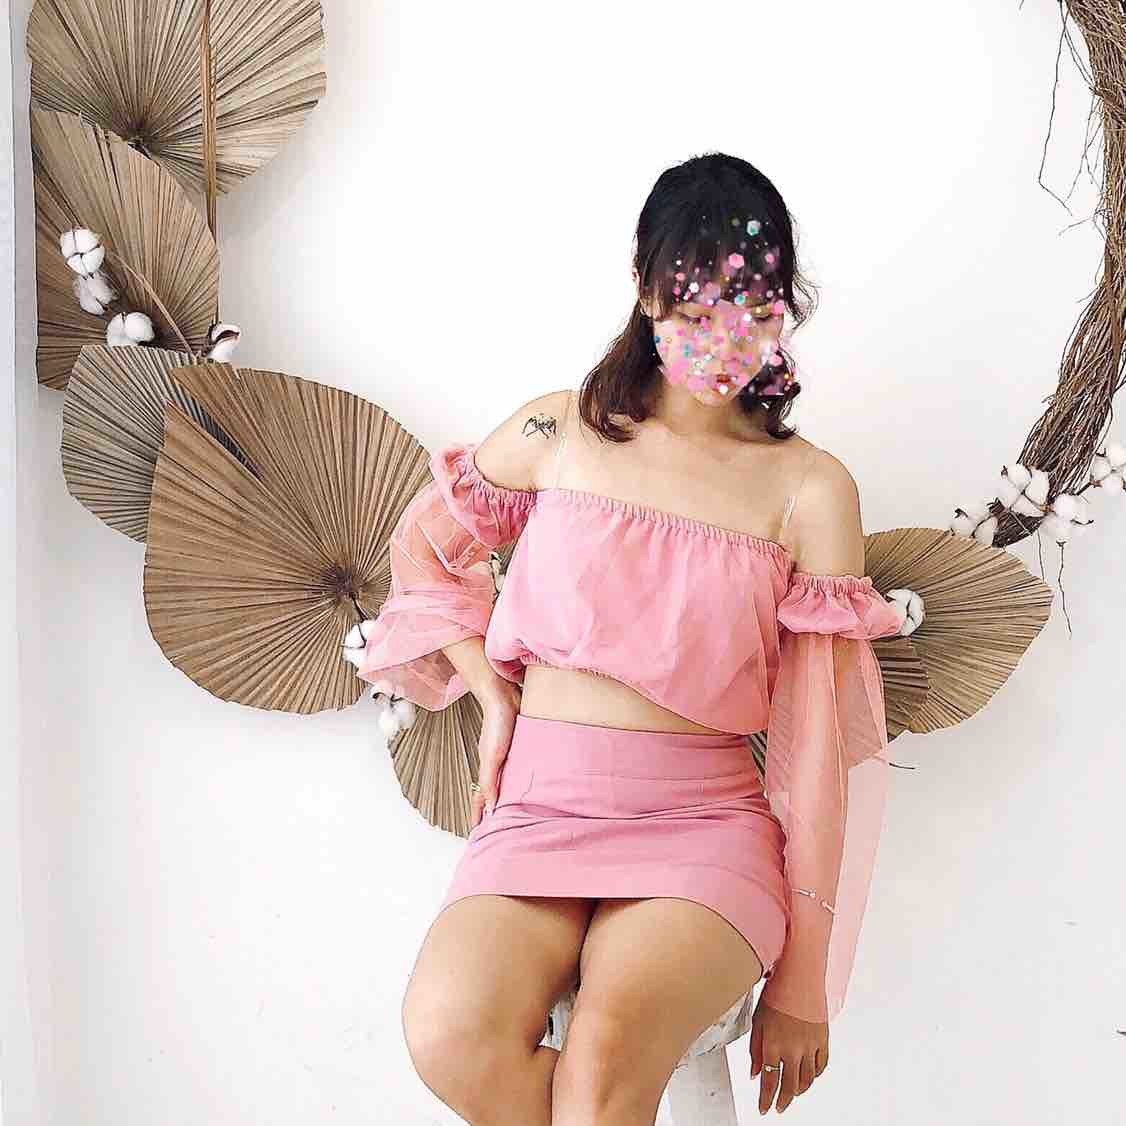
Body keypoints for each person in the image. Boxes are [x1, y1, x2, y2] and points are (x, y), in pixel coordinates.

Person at [357, 153, 903, 1122]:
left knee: (604, 1061)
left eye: (754, 308)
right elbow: (424, 550)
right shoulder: (556, 431)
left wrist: (805, 980)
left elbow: (821, 751)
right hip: (537, 809)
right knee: (447, 1031)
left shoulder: (810, 490)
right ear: (644, 290)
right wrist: (492, 695)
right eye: (696, 310)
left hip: (701, 827)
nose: (725, 340)